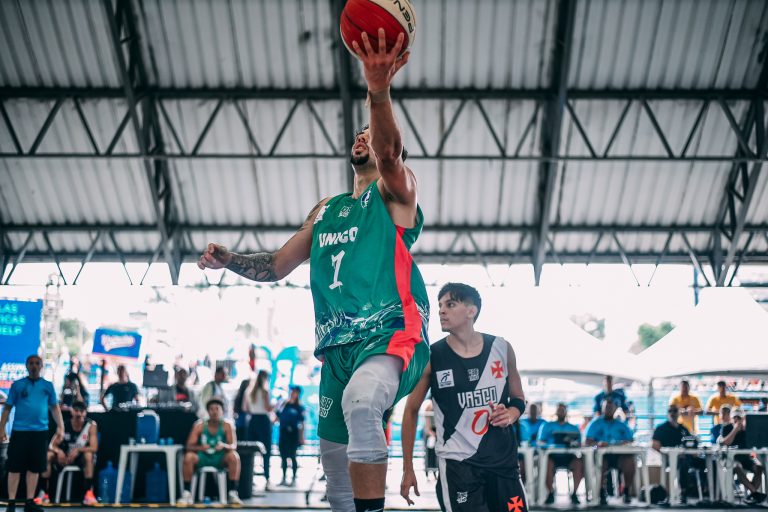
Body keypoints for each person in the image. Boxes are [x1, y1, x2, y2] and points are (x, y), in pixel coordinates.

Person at [198, 26, 429, 512]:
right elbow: (275, 266)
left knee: (364, 403)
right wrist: (229, 260)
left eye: (371, 134)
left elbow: (390, 153)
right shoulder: (326, 210)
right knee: (335, 473)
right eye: (359, 134)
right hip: (337, 349)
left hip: (390, 333)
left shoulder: (396, 193)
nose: (363, 137)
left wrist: (378, 89)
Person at [401, 283, 528, 512]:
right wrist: (408, 468)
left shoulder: (501, 348)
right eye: (440, 305)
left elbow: (518, 399)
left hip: (503, 462)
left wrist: (511, 414)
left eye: (450, 304)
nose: (441, 310)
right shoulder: (432, 356)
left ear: (471, 311)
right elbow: (410, 411)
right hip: (459, 467)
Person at [0, 355, 64, 512]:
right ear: (26, 366)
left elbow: (55, 408)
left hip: (39, 433)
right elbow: (7, 408)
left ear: (41, 366)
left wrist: (61, 426)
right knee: (14, 467)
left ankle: (29, 501)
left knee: (34, 468)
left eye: (37, 363)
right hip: (20, 432)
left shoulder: (48, 386)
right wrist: (1, 428)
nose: (34, 366)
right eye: (31, 363)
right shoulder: (17, 385)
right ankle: (11, 502)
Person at [179, 398, 242, 505]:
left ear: (222, 411)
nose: (214, 412)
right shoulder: (199, 425)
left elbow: (233, 446)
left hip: (220, 458)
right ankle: (187, 493)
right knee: (188, 457)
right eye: (211, 409)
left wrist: (223, 445)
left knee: (234, 456)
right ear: (208, 411)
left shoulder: (227, 425)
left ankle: (233, 493)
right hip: (203, 457)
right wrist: (201, 448)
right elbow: (188, 446)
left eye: (217, 409)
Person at [42, 401, 98, 505]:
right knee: (48, 455)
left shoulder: (91, 425)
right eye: (76, 410)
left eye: (81, 411)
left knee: (89, 455)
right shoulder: (64, 425)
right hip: (64, 458)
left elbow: (94, 448)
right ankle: (44, 493)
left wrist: (78, 450)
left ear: (85, 412)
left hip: (80, 458)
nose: (79, 413)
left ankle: (88, 493)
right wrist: (59, 451)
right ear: (71, 411)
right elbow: (51, 445)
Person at [651, 405, 706, 503]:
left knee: (710, 462)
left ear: (679, 413)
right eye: (670, 411)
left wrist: (694, 451)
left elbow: (691, 443)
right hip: (669, 459)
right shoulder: (661, 428)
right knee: (682, 462)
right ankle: (684, 491)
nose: (672, 413)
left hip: (687, 457)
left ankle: (710, 491)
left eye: (675, 411)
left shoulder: (683, 429)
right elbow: (654, 445)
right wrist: (668, 453)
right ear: (668, 413)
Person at [585, 398, 635, 505]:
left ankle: (626, 491)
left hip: (619, 456)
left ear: (615, 409)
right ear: (602, 409)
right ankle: (601, 492)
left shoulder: (622, 425)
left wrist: (623, 443)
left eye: (611, 407)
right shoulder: (595, 424)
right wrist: (598, 444)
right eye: (606, 407)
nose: (609, 409)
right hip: (602, 456)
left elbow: (630, 440)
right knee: (600, 463)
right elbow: (587, 441)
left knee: (630, 462)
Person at [537, 403, 583, 505]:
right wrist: (549, 445)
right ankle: (550, 493)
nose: (561, 412)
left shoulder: (573, 428)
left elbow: (580, 444)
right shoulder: (547, 426)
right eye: (559, 410)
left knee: (579, 463)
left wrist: (573, 443)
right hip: (553, 456)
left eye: (563, 410)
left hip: (569, 456)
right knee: (546, 463)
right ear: (556, 412)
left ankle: (574, 494)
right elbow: (540, 442)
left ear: (566, 412)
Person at [719, 408, 765, 504]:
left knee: (759, 467)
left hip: (745, 458)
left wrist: (745, 430)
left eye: (739, 418)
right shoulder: (726, 428)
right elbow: (726, 442)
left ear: (742, 419)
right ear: (731, 418)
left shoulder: (747, 430)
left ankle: (752, 494)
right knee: (737, 466)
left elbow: (754, 445)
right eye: (735, 418)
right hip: (731, 459)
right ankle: (755, 493)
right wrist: (735, 429)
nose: (737, 420)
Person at [236, 370, 274, 489]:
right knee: (266, 451)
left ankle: (248, 479)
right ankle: (267, 479)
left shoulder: (248, 391)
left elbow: (244, 408)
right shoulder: (265, 391)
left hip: (252, 420)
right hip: (263, 421)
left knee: (250, 450)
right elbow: (268, 408)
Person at [276, 385, 305, 486]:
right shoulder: (284, 404)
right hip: (283, 433)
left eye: (294, 392)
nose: (292, 393)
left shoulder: (300, 407)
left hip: (293, 435)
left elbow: (302, 423)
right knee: (283, 457)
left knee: (293, 456)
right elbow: (277, 416)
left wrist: (302, 437)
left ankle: (293, 479)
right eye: (291, 391)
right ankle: (283, 478)